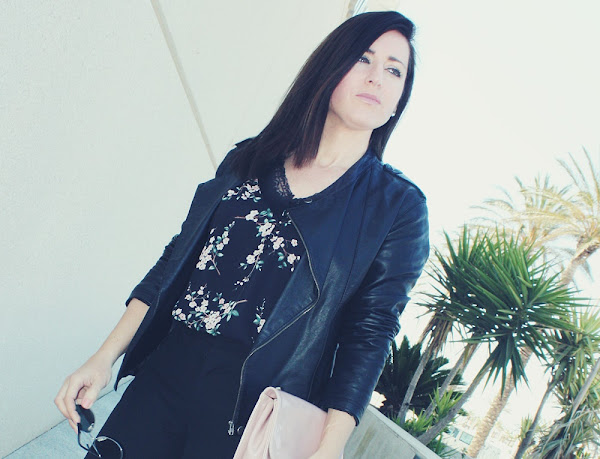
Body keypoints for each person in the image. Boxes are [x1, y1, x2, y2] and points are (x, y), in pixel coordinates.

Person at [55, 10, 429, 459]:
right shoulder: (249, 159)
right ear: (331, 68)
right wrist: (103, 359)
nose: (376, 78)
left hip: (254, 412)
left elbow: (369, 333)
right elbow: (175, 261)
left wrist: (329, 447)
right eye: (363, 59)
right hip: (164, 376)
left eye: (394, 70)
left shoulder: (396, 207)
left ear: (399, 100)